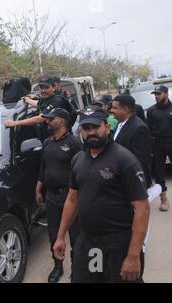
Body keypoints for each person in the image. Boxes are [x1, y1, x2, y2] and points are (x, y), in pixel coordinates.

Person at [53, 108, 150, 283]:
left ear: (107, 127)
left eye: (95, 127)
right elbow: (72, 199)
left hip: (119, 244)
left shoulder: (125, 160)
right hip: (90, 243)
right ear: (80, 130)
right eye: (86, 128)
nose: (91, 132)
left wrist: (133, 255)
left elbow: (142, 208)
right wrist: (60, 236)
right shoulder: (78, 160)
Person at [36, 108, 82, 283]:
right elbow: (43, 167)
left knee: (76, 235)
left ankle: (77, 268)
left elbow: (82, 170)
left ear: (62, 121)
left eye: (50, 119)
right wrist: (38, 188)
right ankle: (58, 266)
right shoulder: (47, 142)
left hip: (71, 197)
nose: (47, 121)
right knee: (54, 235)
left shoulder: (74, 143)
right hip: (52, 197)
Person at [5, 76, 72, 141]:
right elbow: (38, 104)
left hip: (61, 141)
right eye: (41, 88)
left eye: (46, 88)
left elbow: (39, 119)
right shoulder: (46, 99)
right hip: (49, 140)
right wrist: (27, 100)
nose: (43, 91)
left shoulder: (57, 101)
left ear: (54, 87)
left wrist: (15, 123)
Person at [111, 95, 153, 187]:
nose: (111, 110)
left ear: (125, 109)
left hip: (132, 181)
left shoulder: (139, 128)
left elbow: (140, 160)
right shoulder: (120, 123)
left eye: (114, 108)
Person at [146, 85, 172, 211]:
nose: (156, 96)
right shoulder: (151, 111)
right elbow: (148, 130)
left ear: (166, 94)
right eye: (155, 94)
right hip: (158, 144)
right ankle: (164, 199)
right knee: (159, 172)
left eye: (159, 93)